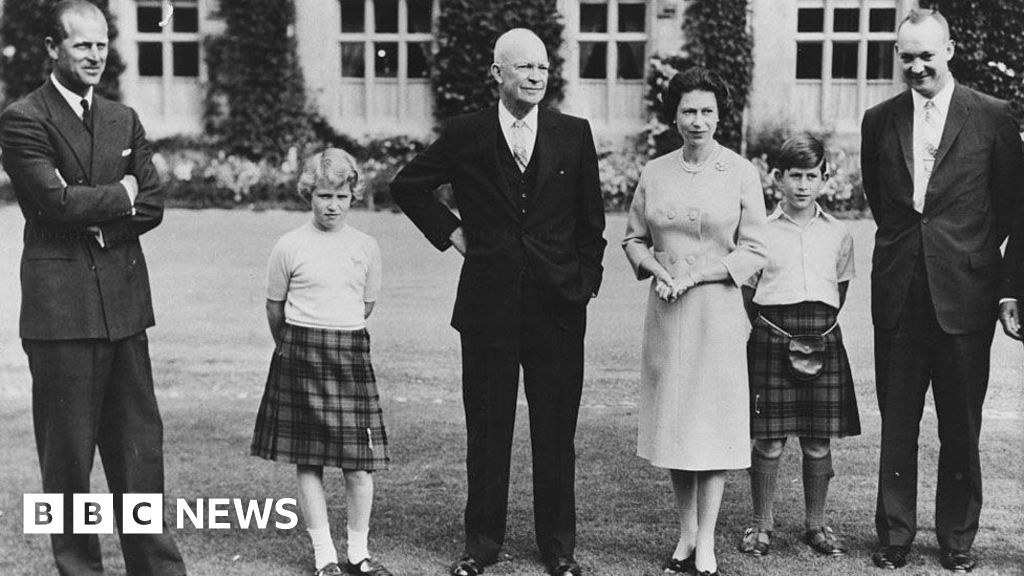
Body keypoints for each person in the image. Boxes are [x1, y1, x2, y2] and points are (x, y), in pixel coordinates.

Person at [390, 27, 605, 576]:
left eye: (543, 69)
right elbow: (407, 185)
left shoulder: (573, 134)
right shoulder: (467, 133)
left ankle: (558, 548)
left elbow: (591, 224)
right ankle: (481, 544)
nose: (536, 77)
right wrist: (456, 235)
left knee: (556, 431)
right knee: (487, 428)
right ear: (498, 74)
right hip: (488, 306)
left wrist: (583, 285)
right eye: (524, 68)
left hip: (558, 308)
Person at [0, 2, 187, 575]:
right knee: (69, 464)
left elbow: (152, 203)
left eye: (102, 45)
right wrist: (121, 193)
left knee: (139, 458)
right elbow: (52, 204)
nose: (95, 55)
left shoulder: (122, 118)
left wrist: (103, 206)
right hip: (62, 317)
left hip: (125, 312)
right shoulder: (23, 118)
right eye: (83, 45)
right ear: (53, 48)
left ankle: (155, 570)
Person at [860, 8, 1024, 572]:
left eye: (927, 55)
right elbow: (885, 206)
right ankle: (895, 537)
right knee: (898, 423)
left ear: (949, 50)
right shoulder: (878, 119)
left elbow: (1011, 209)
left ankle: (957, 540)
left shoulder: (993, 116)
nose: (916, 66)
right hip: (899, 296)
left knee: (962, 425)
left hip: (965, 296)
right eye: (906, 56)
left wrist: (996, 280)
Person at [622, 66, 767, 576]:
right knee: (676, 428)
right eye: (689, 111)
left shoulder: (741, 172)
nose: (698, 120)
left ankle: (706, 542)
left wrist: (698, 275)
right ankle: (685, 534)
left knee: (712, 427)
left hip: (717, 313)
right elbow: (633, 238)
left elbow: (754, 249)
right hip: (666, 311)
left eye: (707, 111)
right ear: (675, 116)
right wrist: (657, 268)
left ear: (720, 115)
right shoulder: (656, 171)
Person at [251, 149, 392, 576]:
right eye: (324, 195)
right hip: (299, 354)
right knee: (308, 460)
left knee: (358, 464)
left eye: (342, 197)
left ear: (354, 197)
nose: (332, 205)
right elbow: (275, 309)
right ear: (308, 194)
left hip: (348, 354)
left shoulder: (366, 246)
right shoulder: (289, 245)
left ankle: (358, 553)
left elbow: (365, 304)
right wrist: (294, 346)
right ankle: (324, 557)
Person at [736, 134, 860, 559]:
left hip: (822, 336)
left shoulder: (840, 233)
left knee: (817, 440)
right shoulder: (759, 232)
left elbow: (839, 291)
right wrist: (777, 331)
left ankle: (816, 524)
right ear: (777, 179)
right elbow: (748, 296)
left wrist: (813, 329)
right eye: (795, 176)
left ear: (823, 179)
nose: (803, 185)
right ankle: (760, 525)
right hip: (773, 334)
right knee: (769, 440)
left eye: (812, 176)